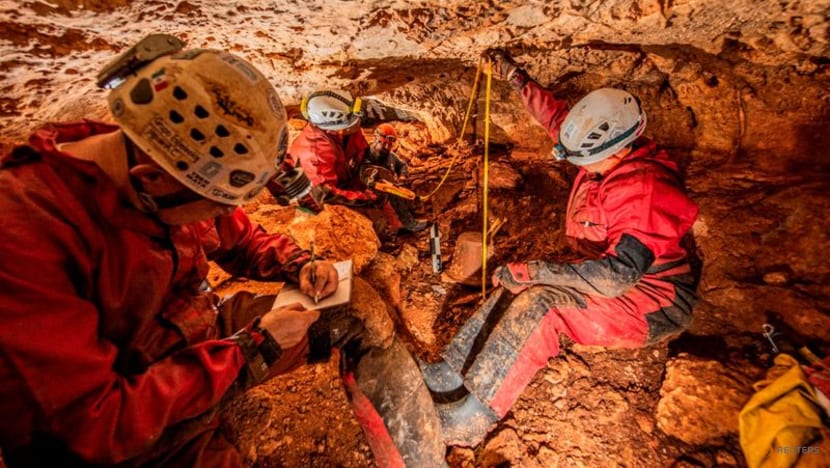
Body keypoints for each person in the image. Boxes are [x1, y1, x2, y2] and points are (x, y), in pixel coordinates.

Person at [0, 35, 444, 467]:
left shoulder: (172, 170)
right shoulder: (25, 235)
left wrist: (298, 263)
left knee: (355, 306)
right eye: (218, 203)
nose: (226, 212)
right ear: (151, 180)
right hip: (124, 425)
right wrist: (254, 346)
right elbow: (90, 428)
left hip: (196, 340)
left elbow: (240, 239)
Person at [420, 49, 701, 447]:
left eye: (588, 162)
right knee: (517, 285)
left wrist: (536, 272)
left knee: (543, 306)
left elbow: (617, 276)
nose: (581, 167)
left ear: (618, 149)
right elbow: (556, 120)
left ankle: (470, 418)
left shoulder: (644, 188)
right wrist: (516, 77)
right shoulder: (604, 150)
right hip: (612, 276)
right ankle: (449, 374)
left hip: (654, 302)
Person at [290, 89, 427, 233]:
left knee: (384, 184)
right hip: (322, 199)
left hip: (343, 179)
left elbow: (361, 150)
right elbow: (325, 195)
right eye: (350, 123)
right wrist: (365, 197)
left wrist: (371, 173)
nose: (356, 125)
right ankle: (381, 231)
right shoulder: (314, 153)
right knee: (370, 222)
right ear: (333, 128)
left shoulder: (344, 130)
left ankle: (401, 222)